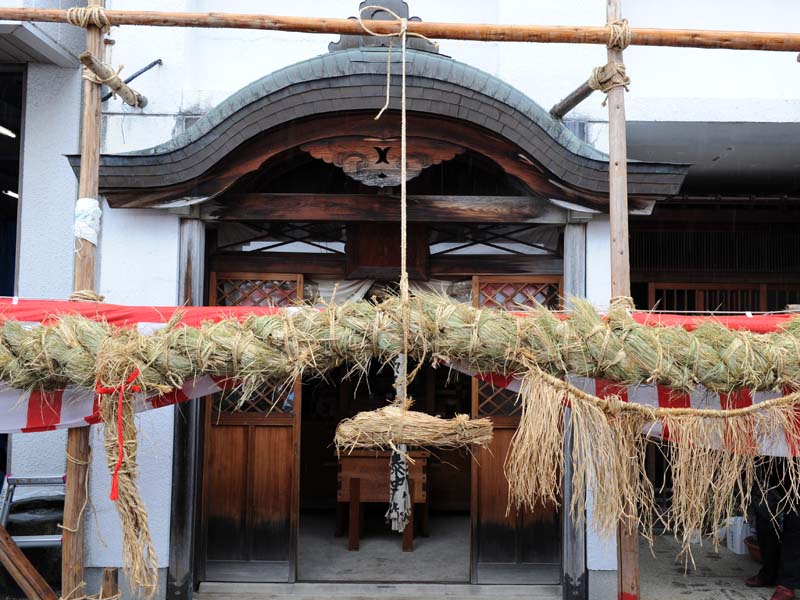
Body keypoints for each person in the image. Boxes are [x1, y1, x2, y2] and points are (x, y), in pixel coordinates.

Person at [745, 459, 800, 600]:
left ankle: (787, 583)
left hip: (796, 462)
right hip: (770, 458)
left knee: (795, 517)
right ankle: (769, 572)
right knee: (764, 512)